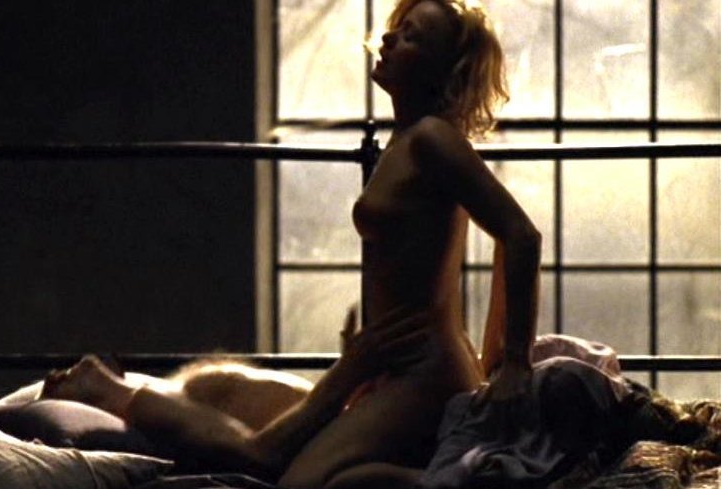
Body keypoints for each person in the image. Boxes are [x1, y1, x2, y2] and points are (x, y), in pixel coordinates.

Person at [40, 0, 541, 487]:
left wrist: (511, 363)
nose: (390, 38)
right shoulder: (406, 140)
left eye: (412, 38)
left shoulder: (433, 138)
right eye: (398, 27)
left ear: (442, 71)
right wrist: (482, 360)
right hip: (394, 366)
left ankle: (452, 480)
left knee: (292, 477)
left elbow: (519, 235)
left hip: (425, 373)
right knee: (305, 461)